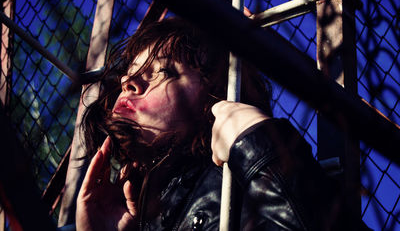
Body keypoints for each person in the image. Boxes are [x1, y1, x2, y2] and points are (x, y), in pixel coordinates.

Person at [73, 17, 368, 230]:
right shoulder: (134, 217)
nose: (128, 81)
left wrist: (261, 150)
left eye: (163, 72)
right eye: (131, 71)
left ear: (218, 98)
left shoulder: (241, 184)